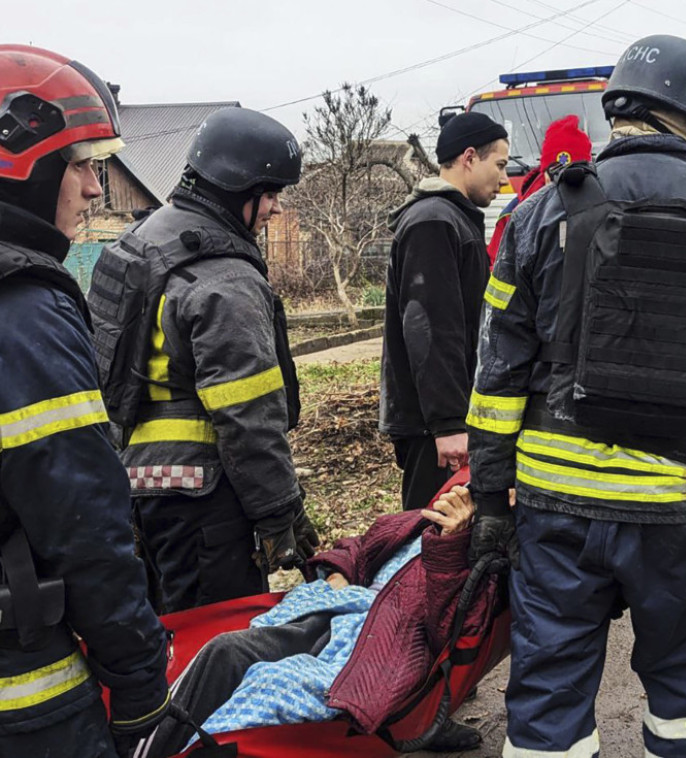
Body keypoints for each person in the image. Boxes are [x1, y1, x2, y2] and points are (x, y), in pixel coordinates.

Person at [466, 34, 686, 758]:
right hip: (682, 503)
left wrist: (492, 499)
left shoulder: (539, 212)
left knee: (548, 695)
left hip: (556, 509)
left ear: (615, 110)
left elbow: (496, 374)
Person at [0, 45, 169, 758]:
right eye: (80, 164)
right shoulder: (22, 311)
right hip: (25, 693)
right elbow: (81, 516)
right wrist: (139, 682)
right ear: (22, 164)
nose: (96, 189)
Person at [89, 107, 319, 614]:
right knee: (215, 636)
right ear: (238, 188)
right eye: (270, 194)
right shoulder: (225, 279)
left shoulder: (142, 241)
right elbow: (248, 414)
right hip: (206, 500)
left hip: (137, 489)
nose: (276, 209)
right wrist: (280, 512)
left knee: (169, 627)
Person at [138, 486, 494, 757]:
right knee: (224, 648)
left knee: (274, 684)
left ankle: (202, 749)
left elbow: (448, 630)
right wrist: (339, 572)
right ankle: (151, 748)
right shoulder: (415, 519)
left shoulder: (481, 559)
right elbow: (357, 547)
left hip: (384, 644)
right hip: (335, 609)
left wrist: (451, 544)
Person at [380, 111, 510, 511]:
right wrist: (448, 424)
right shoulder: (433, 222)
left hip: (443, 422)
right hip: (436, 431)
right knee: (432, 536)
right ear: (469, 158)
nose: (505, 179)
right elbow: (431, 328)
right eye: (500, 164)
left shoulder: (452, 219)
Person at [486, 114, 593, 265]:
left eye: (571, 174)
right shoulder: (513, 215)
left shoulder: (603, 208)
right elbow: (495, 267)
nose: (561, 182)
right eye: (555, 173)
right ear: (543, 172)